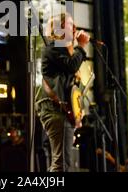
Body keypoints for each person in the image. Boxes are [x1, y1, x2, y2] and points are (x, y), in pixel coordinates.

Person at [35, 13, 90, 172]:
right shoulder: (53, 47)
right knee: (62, 164)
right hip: (54, 109)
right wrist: (81, 46)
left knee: (63, 162)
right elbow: (72, 65)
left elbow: (71, 88)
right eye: (69, 25)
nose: (74, 28)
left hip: (62, 111)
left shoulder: (64, 51)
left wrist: (78, 112)